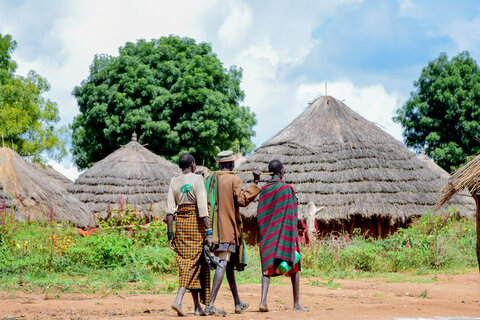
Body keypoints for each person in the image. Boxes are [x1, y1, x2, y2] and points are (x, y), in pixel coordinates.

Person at [204, 150, 262, 315]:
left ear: (219, 164)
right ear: (231, 164)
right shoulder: (235, 180)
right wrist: (255, 183)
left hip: (212, 231)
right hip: (227, 230)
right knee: (223, 263)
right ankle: (211, 304)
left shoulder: (209, 180)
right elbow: (243, 201)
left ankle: (237, 302)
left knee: (227, 266)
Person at [166, 153, 215, 317]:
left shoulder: (174, 181)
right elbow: (202, 210)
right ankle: (178, 299)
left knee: (196, 263)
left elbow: (169, 212)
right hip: (196, 225)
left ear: (181, 166)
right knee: (192, 263)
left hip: (180, 225)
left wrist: (170, 235)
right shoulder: (198, 180)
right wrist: (209, 233)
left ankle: (197, 307)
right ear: (193, 165)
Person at [256, 159, 309, 312]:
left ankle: (263, 302)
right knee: (295, 265)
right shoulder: (287, 188)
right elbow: (292, 213)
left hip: (268, 235)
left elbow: (261, 214)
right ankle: (296, 304)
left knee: (267, 268)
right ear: (281, 172)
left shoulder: (264, 190)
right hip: (286, 233)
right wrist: (291, 235)